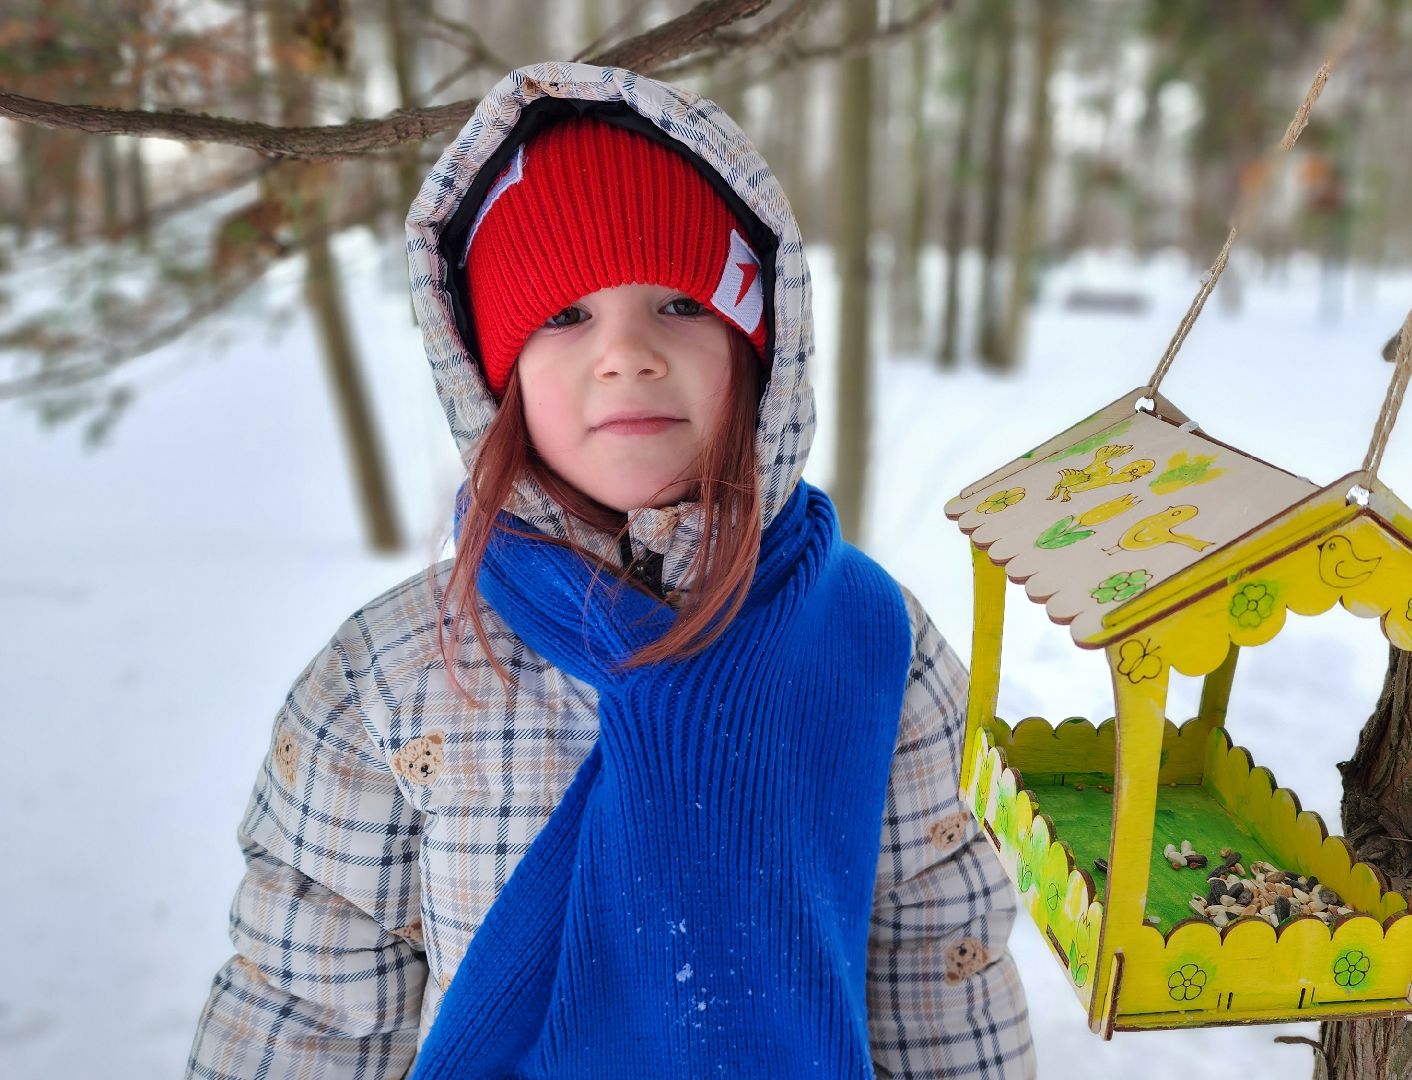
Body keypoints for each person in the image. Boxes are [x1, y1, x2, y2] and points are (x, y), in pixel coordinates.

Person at [186, 60, 1034, 1079]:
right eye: (564, 317)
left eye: (679, 303)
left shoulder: (867, 639)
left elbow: (940, 962)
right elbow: (304, 1008)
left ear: (759, 352)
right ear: (492, 378)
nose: (626, 353)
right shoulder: (394, 675)